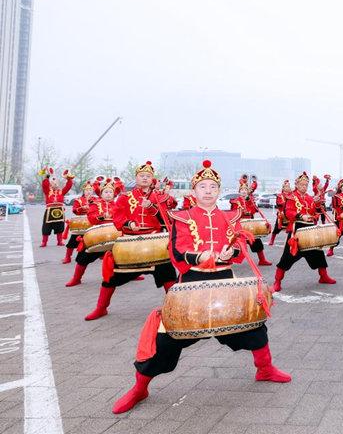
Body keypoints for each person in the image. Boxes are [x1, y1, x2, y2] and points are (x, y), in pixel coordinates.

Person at [111, 160, 290, 415]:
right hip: (192, 284)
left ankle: (265, 369)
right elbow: (177, 251)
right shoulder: (182, 217)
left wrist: (230, 252)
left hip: (225, 280)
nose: (208, 190)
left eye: (213, 187)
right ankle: (140, 388)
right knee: (166, 339)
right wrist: (202, 256)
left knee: (253, 326)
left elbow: (240, 248)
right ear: (194, 191)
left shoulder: (230, 216)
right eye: (203, 186)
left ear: (219, 191)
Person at [84, 161, 177, 321]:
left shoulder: (158, 197)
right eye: (142, 176)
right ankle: (101, 308)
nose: (145, 178)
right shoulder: (124, 197)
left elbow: (166, 219)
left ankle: (176, 308)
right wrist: (129, 224)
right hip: (130, 244)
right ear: (136, 178)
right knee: (111, 277)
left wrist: (152, 207)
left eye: (148, 176)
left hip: (154, 243)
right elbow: (117, 216)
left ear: (152, 179)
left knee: (168, 276)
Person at [272, 172, 336, 291]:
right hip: (297, 229)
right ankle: (277, 281)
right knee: (287, 257)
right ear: (296, 185)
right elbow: (288, 212)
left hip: (310, 229)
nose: (304, 187)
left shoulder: (309, 197)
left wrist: (316, 205)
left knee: (318, 253)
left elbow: (313, 211)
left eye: (306, 185)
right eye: (301, 185)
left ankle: (323, 276)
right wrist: (301, 216)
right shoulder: (291, 197)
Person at [65, 177, 124, 287]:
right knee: (83, 257)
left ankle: (132, 275)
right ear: (101, 194)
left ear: (114, 194)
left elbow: (122, 218)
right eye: (106, 192)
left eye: (110, 192)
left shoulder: (117, 205)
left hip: (115, 236)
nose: (108, 194)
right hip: (97, 237)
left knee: (123, 256)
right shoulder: (95, 204)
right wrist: (102, 217)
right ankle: (76, 278)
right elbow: (91, 218)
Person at [230, 175, 273, 266]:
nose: (243, 191)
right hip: (239, 226)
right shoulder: (235, 201)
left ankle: (262, 260)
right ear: (239, 191)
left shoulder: (250, 200)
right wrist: (242, 212)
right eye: (242, 190)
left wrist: (249, 202)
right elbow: (233, 213)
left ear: (247, 191)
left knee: (257, 242)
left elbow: (254, 210)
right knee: (234, 243)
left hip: (250, 226)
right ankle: (227, 260)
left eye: (245, 190)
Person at [40, 168, 74, 247]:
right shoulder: (47, 191)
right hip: (49, 212)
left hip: (60, 212)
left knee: (60, 226)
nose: (55, 184)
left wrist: (68, 179)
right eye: (53, 182)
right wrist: (47, 177)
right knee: (46, 227)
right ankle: (44, 242)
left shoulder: (61, 192)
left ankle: (60, 241)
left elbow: (68, 186)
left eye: (56, 183)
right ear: (50, 184)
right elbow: (44, 185)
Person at [63, 180, 94, 263]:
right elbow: (74, 210)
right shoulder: (79, 200)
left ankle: (99, 255)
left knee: (94, 240)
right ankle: (68, 257)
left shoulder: (96, 200)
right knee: (73, 241)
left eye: (90, 190)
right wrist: (81, 208)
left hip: (92, 222)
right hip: (81, 223)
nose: (89, 192)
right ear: (84, 191)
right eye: (87, 190)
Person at [268, 180, 291, 246]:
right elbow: (278, 203)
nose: (287, 188)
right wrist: (286, 203)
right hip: (282, 214)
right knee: (276, 228)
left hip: (289, 214)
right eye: (286, 187)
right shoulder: (280, 196)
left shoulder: (291, 195)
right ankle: (272, 240)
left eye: (288, 186)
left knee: (292, 228)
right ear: (283, 188)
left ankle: (290, 241)